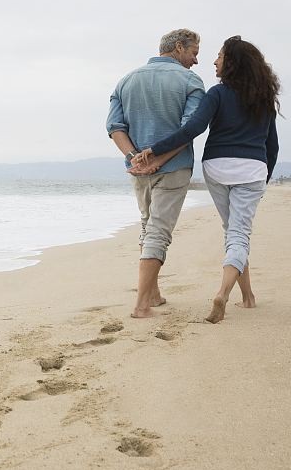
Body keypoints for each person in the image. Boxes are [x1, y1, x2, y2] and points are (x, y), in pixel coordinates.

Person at [131, 36, 280, 324]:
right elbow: (272, 146)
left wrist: (156, 150)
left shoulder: (217, 94)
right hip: (252, 170)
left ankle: (247, 297)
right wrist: (265, 179)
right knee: (239, 233)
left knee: (233, 231)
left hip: (217, 167)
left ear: (232, 62)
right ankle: (223, 293)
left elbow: (193, 129)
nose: (214, 61)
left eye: (220, 56)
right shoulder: (264, 99)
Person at [106, 29, 205, 319]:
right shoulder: (190, 80)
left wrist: (134, 158)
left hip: (137, 169)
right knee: (158, 231)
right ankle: (141, 305)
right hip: (173, 166)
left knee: (148, 225)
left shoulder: (127, 79)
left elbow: (114, 127)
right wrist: (157, 159)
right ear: (178, 47)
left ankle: (153, 293)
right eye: (194, 53)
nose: (196, 61)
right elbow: (190, 129)